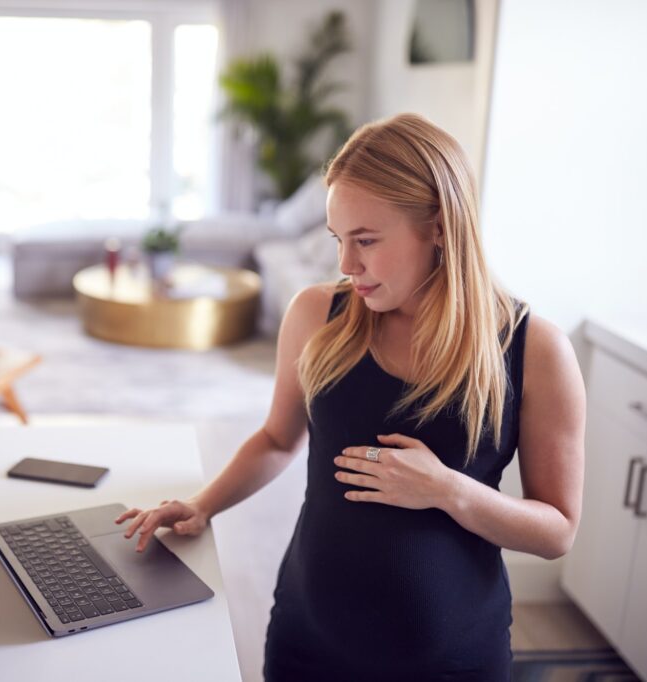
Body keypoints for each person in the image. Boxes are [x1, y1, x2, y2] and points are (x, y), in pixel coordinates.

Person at [115, 113, 585, 681]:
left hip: (452, 660)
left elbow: (558, 529)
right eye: (339, 239)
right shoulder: (317, 315)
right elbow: (275, 439)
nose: (346, 265)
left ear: (439, 226)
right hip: (308, 640)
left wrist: (447, 490)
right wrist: (203, 503)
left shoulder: (535, 350)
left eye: (366, 240)